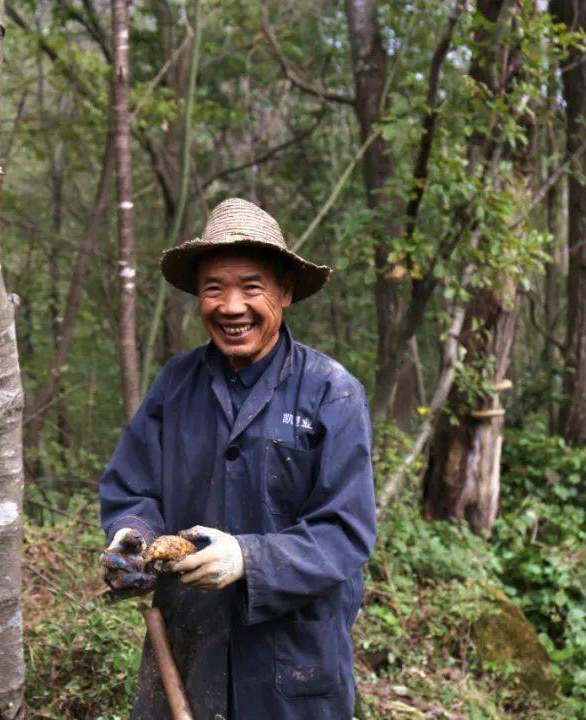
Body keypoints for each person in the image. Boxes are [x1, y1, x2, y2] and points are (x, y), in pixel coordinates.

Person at [99, 198, 376, 719]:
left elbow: (346, 531)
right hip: (186, 651)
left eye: (252, 287)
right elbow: (132, 487)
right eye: (213, 289)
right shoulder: (175, 386)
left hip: (291, 664)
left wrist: (248, 559)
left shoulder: (330, 392)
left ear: (285, 292)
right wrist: (133, 533)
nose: (231, 307)